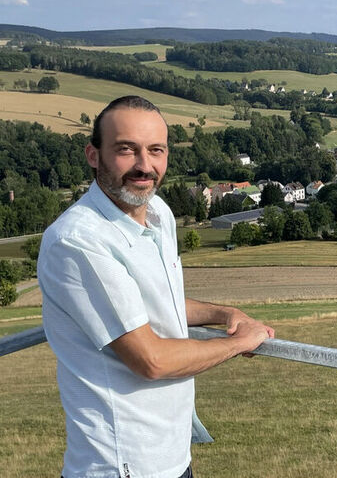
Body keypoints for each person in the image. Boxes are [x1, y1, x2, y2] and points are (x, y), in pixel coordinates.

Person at [39, 95, 274, 478]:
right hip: (121, 464)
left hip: (170, 455)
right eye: (126, 150)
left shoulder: (159, 214)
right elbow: (152, 360)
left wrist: (225, 314)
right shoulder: (78, 242)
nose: (144, 166)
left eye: (156, 150)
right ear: (93, 155)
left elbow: (157, 303)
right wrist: (238, 342)